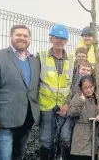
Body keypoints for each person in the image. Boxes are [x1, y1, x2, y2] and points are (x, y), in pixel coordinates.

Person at [0, 25, 40, 160]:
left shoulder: (34, 61)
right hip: (3, 122)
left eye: (25, 36)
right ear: (11, 36)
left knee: (18, 157)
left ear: (29, 39)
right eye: (18, 35)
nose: (22, 38)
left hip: (25, 120)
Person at [38, 24, 77, 160]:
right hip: (46, 106)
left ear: (66, 41)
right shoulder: (41, 57)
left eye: (63, 38)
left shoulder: (73, 60)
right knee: (46, 139)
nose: (59, 41)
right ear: (51, 39)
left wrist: (67, 104)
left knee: (65, 137)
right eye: (56, 37)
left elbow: (75, 84)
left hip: (64, 106)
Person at [68, 75, 99, 160]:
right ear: (81, 88)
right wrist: (80, 101)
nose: (89, 90)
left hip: (94, 137)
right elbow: (72, 113)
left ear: (94, 86)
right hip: (80, 138)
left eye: (90, 87)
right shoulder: (78, 97)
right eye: (85, 88)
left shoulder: (97, 98)